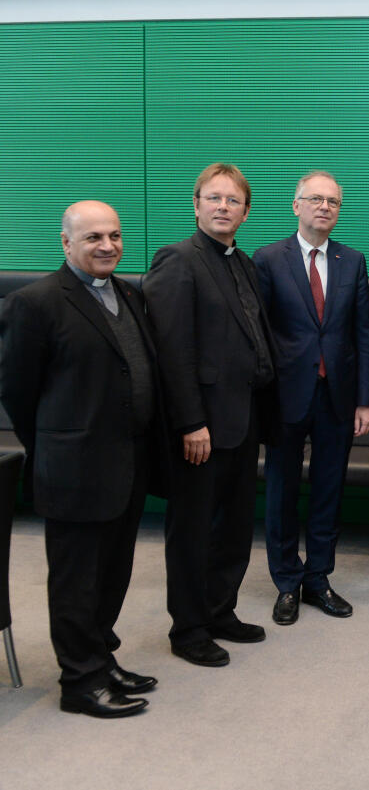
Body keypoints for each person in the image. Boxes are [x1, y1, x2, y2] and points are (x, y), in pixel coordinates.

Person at [0, 201, 163, 717]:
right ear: (65, 243)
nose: (107, 245)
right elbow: (17, 391)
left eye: (114, 235)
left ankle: (101, 659)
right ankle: (80, 682)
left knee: (112, 573)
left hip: (127, 462)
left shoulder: (129, 294)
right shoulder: (36, 302)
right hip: (73, 466)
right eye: (93, 237)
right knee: (75, 579)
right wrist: (55, 442)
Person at [143, 163, 278, 668]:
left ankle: (221, 611)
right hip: (201, 429)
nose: (224, 207)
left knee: (234, 527)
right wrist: (189, 422)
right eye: (214, 198)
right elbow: (171, 352)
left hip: (242, 423)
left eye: (234, 200)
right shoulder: (177, 260)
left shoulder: (242, 263)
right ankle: (189, 628)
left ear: (246, 211)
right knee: (194, 531)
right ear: (196, 204)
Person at [252, 171, 369, 625]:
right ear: (296, 205)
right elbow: (259, 334)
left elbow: (364, 332)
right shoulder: (267, 259)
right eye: (316, 199)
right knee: (282, 492)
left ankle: (318, 578)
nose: (324, 207)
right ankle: (287, 582)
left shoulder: (352, 260)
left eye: (333, 202)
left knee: (329, 490)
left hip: (338, 397)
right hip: (286, 396)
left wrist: (366, 399)